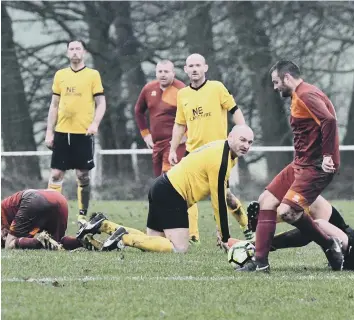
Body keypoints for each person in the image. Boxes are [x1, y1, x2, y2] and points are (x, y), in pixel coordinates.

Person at [238, 60, 343, 273]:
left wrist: (327, 155)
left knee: (287, 212)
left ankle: (330, 245)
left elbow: (329, 120)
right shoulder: (301, 94)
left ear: (287, 78)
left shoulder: (306, 95)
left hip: (314, 167)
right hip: (300, 163)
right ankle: (261, 263)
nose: (275, 87)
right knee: (266, 201)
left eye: (276, 82)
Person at [78, 125, 254, 253]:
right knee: (179, 248)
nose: (246, 145)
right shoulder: (221, 158)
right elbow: (218, 203)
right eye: (242, 140)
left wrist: (246, 227)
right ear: (230, 136)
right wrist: (225, 238)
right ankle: (123, 238)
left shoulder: (227, 153)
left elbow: (227, 196)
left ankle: (105, 225)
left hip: (161, 187)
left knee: (154, 243)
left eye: (250, 142)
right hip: (172, 193)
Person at [168, 53, 253, 244]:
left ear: (205, 68)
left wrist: (243, 135)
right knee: (186, 195)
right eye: (191, 66)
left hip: (219, 154)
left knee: (225, 196)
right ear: (186, 70)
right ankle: (193, 236)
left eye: (198, 65)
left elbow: (235, 111)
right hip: (193, 154)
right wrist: (173, 149)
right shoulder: (183, 94)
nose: (195, 69)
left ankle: (245, 227)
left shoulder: (217, 88)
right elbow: (180, 124)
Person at [45, 40, 106, 224]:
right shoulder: (60, 75)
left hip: (83, 133)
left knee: (82, 175)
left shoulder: (92, 75)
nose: (74, 52)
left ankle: (82, 215)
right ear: (67, 53)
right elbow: (54, 105)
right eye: (71, 49)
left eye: (78, 49)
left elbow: (101, 103)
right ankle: (51, 213)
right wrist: (49, 132)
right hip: (62, 132)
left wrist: (95, 123)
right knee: (56, 174)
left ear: (84, 52)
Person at [134, 60, 186, 177]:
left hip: (175, 143)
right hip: (157, 144)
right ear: (156, 73)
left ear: (173, 73)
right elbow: (138, 111)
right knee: (159, 181)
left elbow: (192, 114)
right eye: (160, 71)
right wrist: (146, 135)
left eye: (166, 71)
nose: (163, 74)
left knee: (169, 177)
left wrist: (186, 134)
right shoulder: (148, 88)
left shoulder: (182, 89)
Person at [1, 189, 95, 250]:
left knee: (9, 245)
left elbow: (8, 241)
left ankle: (40, 241)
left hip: (34, 200)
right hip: (59, 199)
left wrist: (6, 240)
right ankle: (82, 241)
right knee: (56, 244)